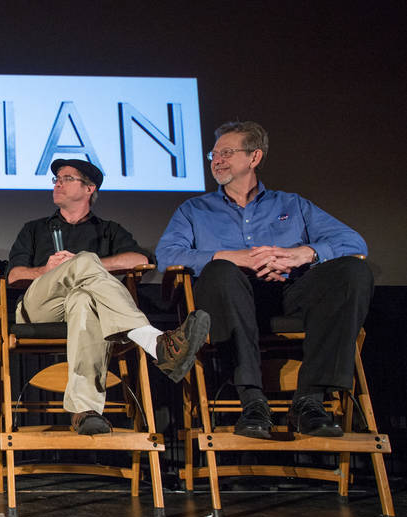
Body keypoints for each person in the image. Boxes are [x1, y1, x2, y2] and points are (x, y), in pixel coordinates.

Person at [156, 121, 371, 439]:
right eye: (214, 154)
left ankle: (310, 400)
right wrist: (232, 257)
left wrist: (303, 253)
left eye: (227, 152)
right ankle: (253, 402)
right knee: (222, 271)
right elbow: (167, 256)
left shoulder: (292, 204)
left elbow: (355, 243)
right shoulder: (194, 210)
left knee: (352, 271)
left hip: (288, 292)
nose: (217, 160)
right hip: (227, 299)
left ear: (254, 157)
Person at [7, 158, 210, 434]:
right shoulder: (34, 229)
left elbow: (141, 259)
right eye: (55, 179)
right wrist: (48, 268)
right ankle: (154, 341)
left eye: (66, 178)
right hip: (41, 308)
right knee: (83, 263)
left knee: (83, 299)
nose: (57, 183)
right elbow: (14, 276)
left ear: (89, 188)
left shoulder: (109, 230)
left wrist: (88, 264)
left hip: (87, 309)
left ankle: (85, 411)